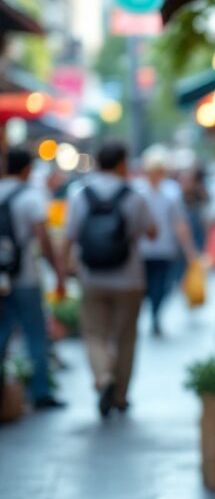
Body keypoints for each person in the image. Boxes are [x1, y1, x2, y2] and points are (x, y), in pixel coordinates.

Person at [59, 141, 157, 418]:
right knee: (125, 337)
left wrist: (60, 275)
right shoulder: (134, 196)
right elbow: (151, 232)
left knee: (93, 333)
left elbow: (68, 237)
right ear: (121, 163)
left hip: (91, 276)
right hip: (129, 279)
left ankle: (103, 376)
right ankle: (121, 395)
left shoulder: (80, 194)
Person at [0, 147, 67, 409]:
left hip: (2, 277)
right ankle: (41, 392)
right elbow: (43, 237)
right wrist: (57, 271)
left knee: (3, 332)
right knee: (35, 335)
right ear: (28, 169)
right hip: (26, 276)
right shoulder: (31, 196)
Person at [135, 148, 197, 336]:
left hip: (165, 248)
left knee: (163, 286)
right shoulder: (138, 191)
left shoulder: (172, 191)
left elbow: (180, 223)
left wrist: (189, 250)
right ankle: (149, 312)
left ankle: (156, 314)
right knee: (144, 286)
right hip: (142, 250)